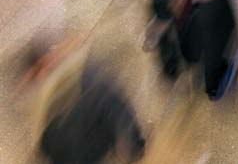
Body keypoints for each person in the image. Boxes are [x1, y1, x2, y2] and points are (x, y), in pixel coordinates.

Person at [17, 36, 145, 164]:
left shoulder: (86, 80)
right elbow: (118, 110)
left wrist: (131, 143)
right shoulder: (46, 103)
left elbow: (116, 110)